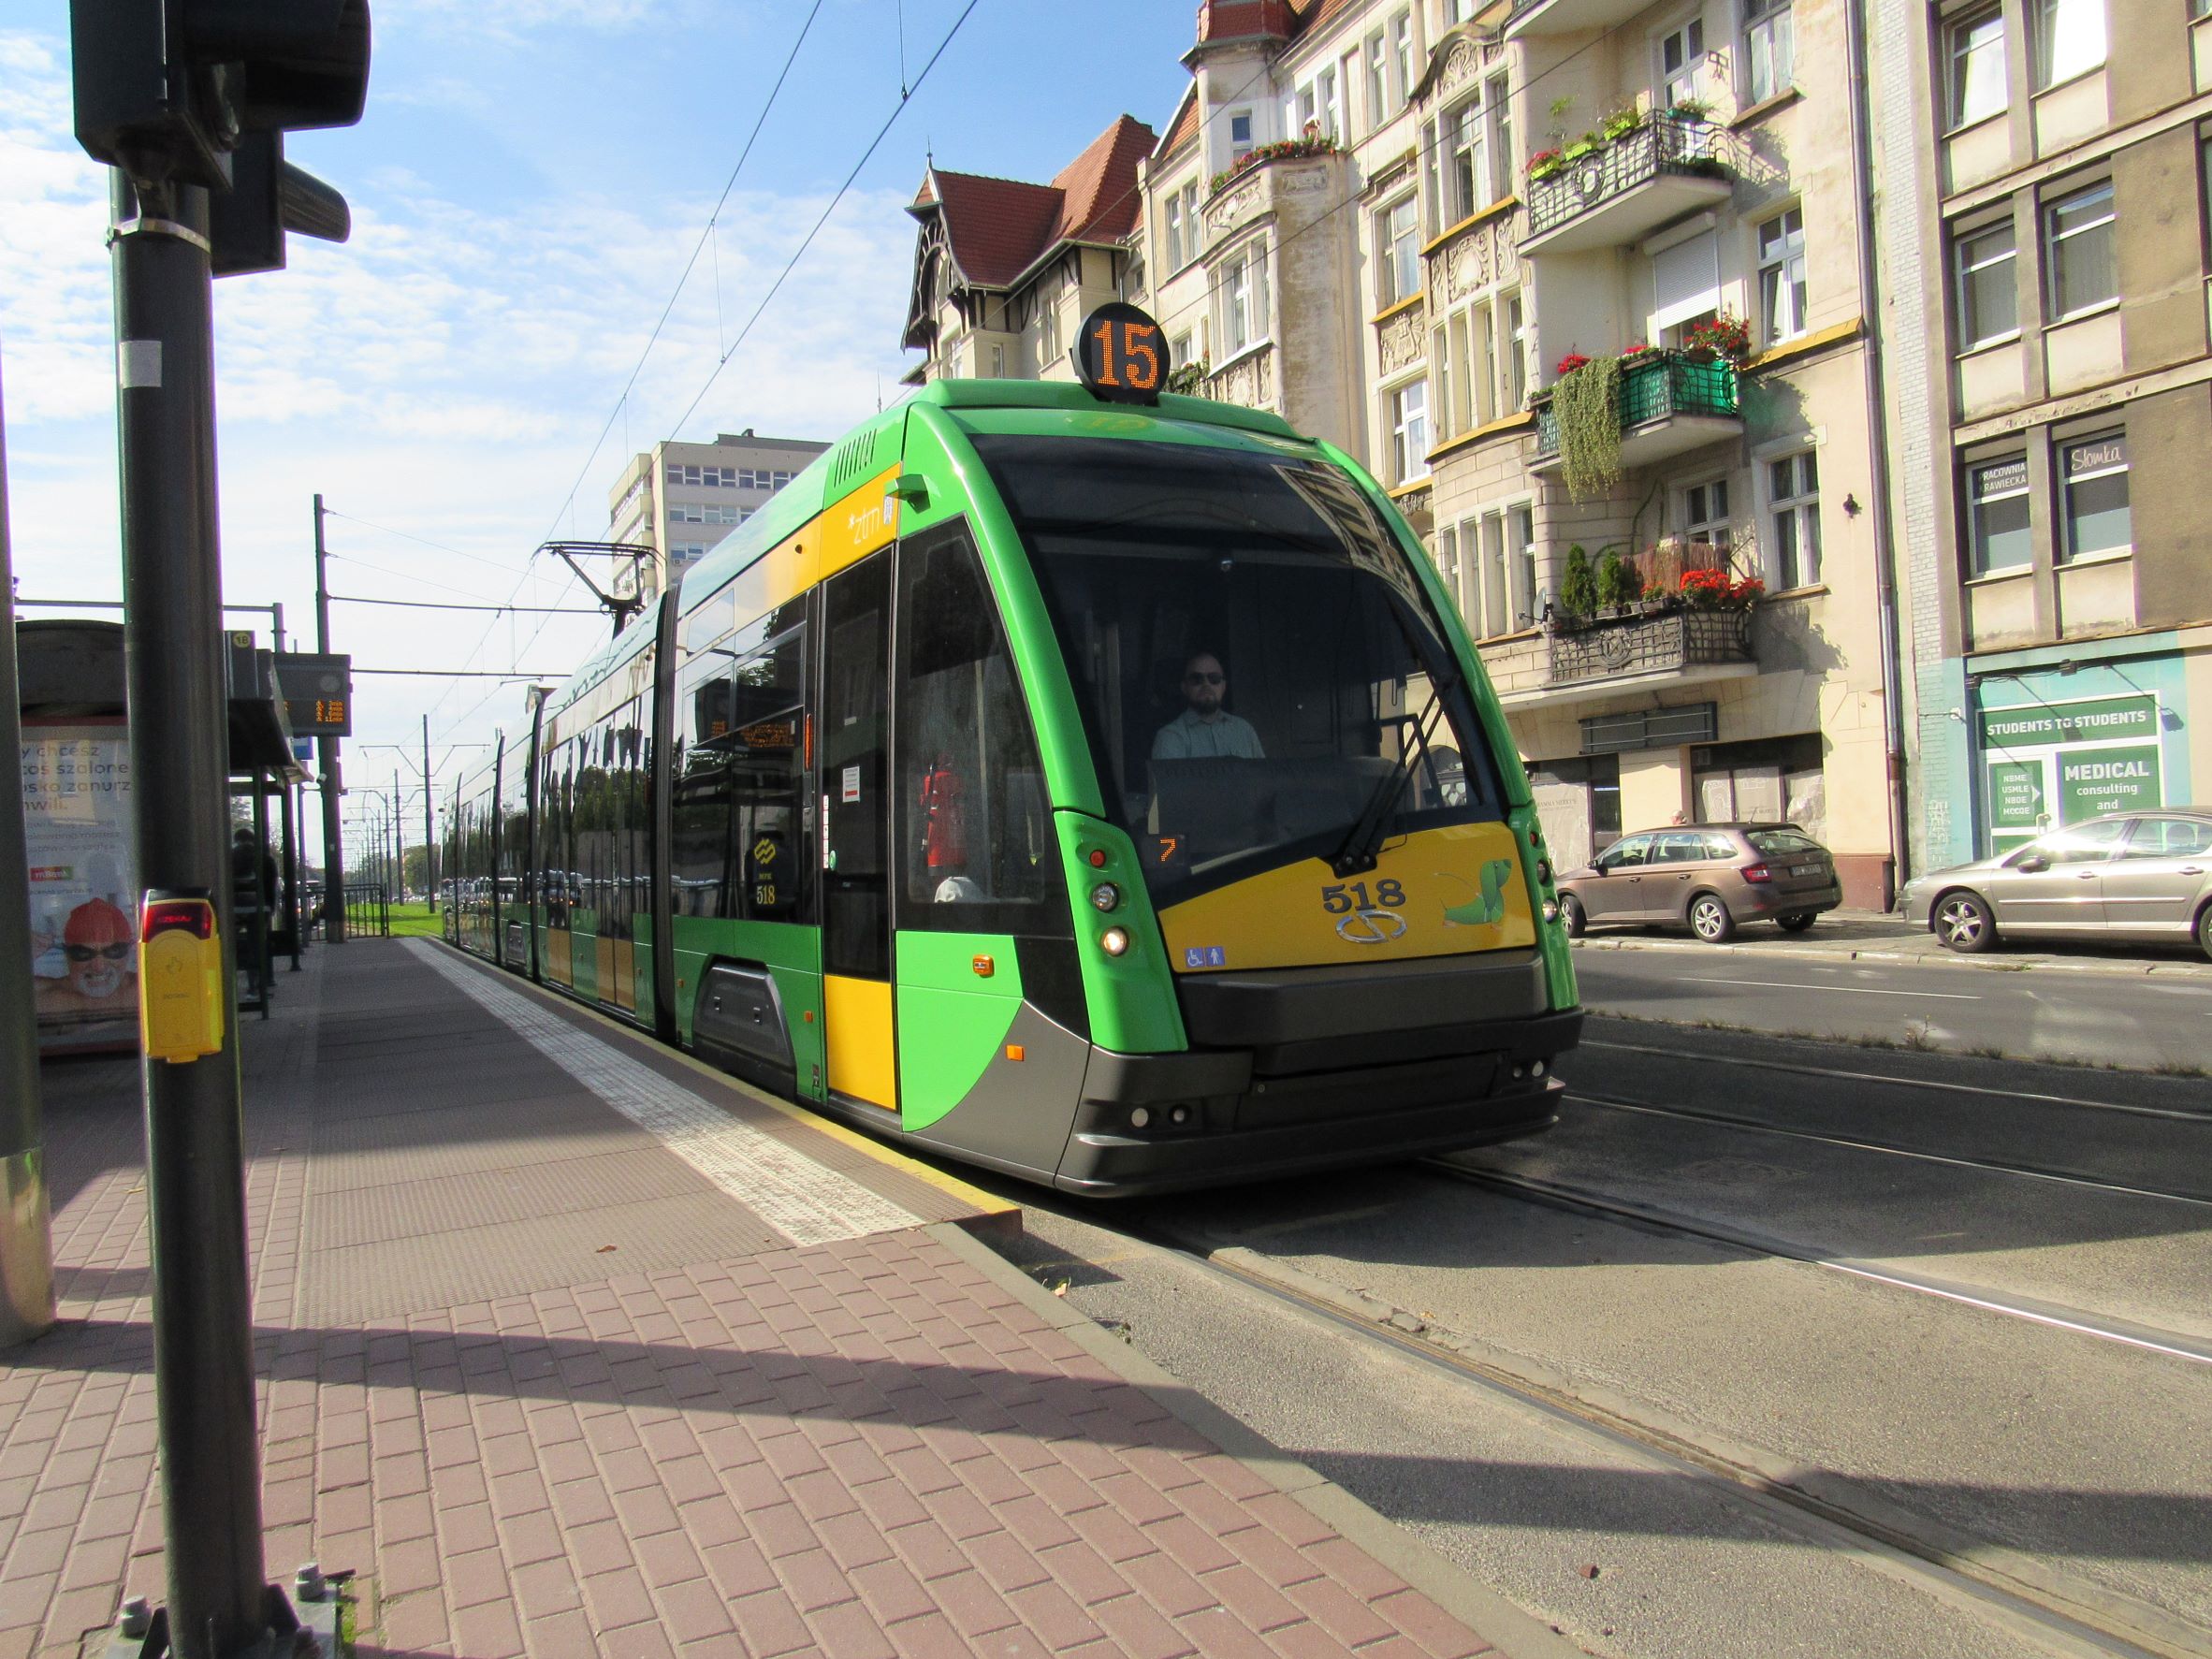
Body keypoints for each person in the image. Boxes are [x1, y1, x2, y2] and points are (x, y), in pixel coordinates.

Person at [1152, 651, 1264, 761]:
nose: (1206, 684)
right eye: (1196, 679)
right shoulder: (1170, 737)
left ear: (1223, 686)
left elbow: (1263, 778)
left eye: (1214, 678)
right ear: (1184, 687)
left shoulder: (1244, 730)